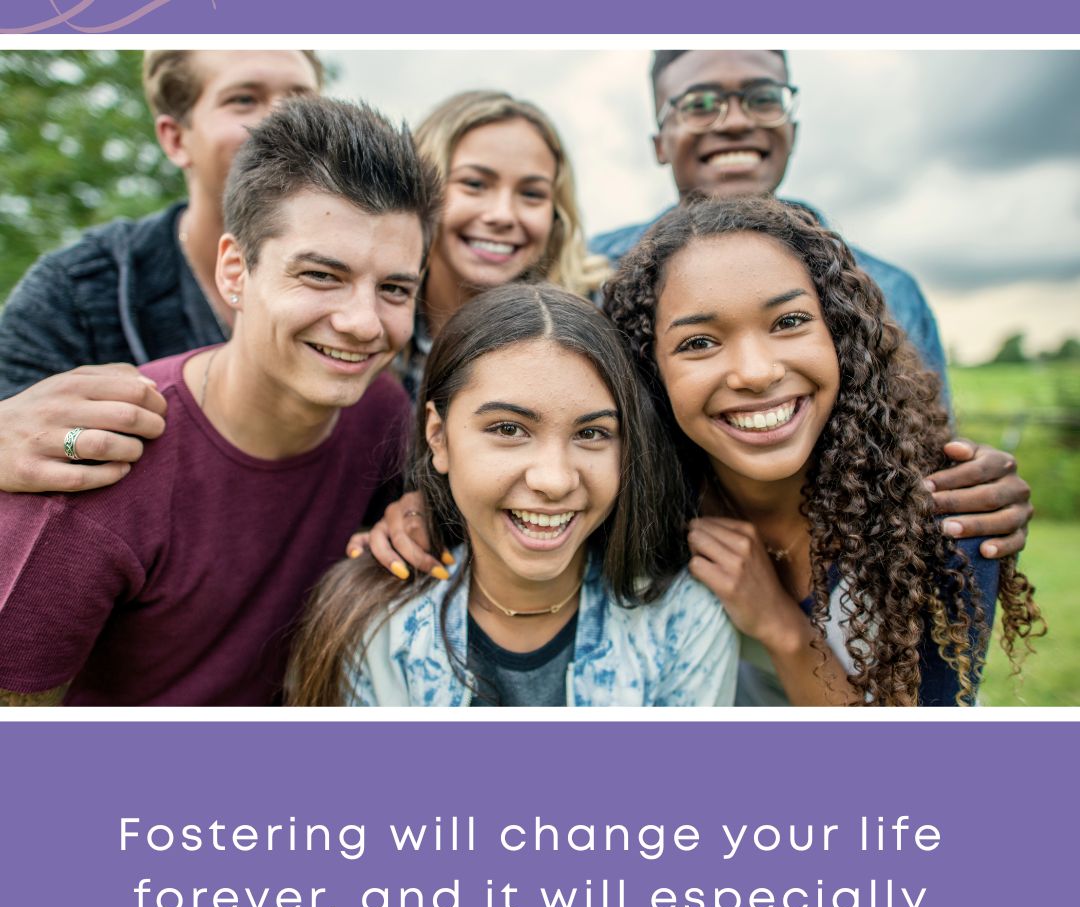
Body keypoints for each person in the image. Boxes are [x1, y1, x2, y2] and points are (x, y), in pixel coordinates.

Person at [0, 97, 440, 706]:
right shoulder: (100, 464)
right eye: (320, 275)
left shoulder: (381, 416)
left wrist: (413, 514)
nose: (364, 323)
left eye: (394, 288)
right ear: (235, 271)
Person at [589, 49, 1033, 560]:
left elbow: (914, 458)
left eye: (762, 98)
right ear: (659, 142)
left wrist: (974, 499)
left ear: (792, 129)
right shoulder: (595, 275)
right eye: (699, 103)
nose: (734, 120)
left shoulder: (888, 289)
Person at [602, 196, 1043, 705]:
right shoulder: (647, 509)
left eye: (788, 321)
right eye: (699, 342)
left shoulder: (939, 520)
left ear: (840, 334)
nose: (756, 372)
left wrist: (782, 627)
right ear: (649, 370)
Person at [286, 283, 738, 707]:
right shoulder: (374, 624)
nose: (555, 480)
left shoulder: (683, 623)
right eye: (509, 429)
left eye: (592, 433)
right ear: (439, 436)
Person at [0, 49, 323, 494]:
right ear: (174, 138)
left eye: (301, 99)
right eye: (244, 99)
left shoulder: (379, 288)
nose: (283, 123)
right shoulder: (79, 293)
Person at [392, 90, 607, 400]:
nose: (503, 215)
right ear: (421, 191)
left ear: (557, 212)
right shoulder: (372, 322)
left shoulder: (602, 321)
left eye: (532, 194)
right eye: (475, 184)